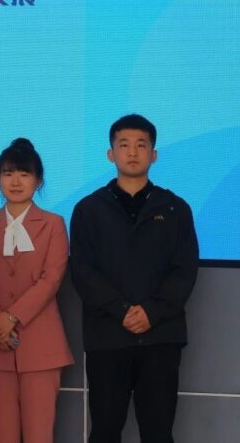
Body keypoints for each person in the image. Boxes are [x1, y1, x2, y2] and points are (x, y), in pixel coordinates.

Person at [70, 114, 198, 443]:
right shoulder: (88, 209)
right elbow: (83, 270)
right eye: (124, 144)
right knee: (105, 430)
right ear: (110, 154)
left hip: (160, 337)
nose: (132, 152)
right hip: (107, 336)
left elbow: (184, 270)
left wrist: (151, 312)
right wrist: (122, 310)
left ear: (153, 154)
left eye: (141, 145)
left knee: (158, 432)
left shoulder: (175, 208)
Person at [0, 138, 73, 443]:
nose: (16, 181)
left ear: (38, 181)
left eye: (24, 174)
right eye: (8, 173)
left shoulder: (53, 224)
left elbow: (51, 279)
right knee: (2, 435)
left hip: (41, 345)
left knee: (40, 434)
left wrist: (11, 317)